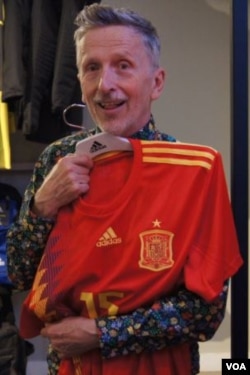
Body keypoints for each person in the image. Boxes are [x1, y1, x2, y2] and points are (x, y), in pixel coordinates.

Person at [6, 3, 243, 375]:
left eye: (123, 66)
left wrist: (101, 333)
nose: (105, 85)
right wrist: (42, 206)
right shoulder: (57, 159)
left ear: (157, 83)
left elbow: (205, 313)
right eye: (92, 67)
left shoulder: (192, 172)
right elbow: (20, 275)